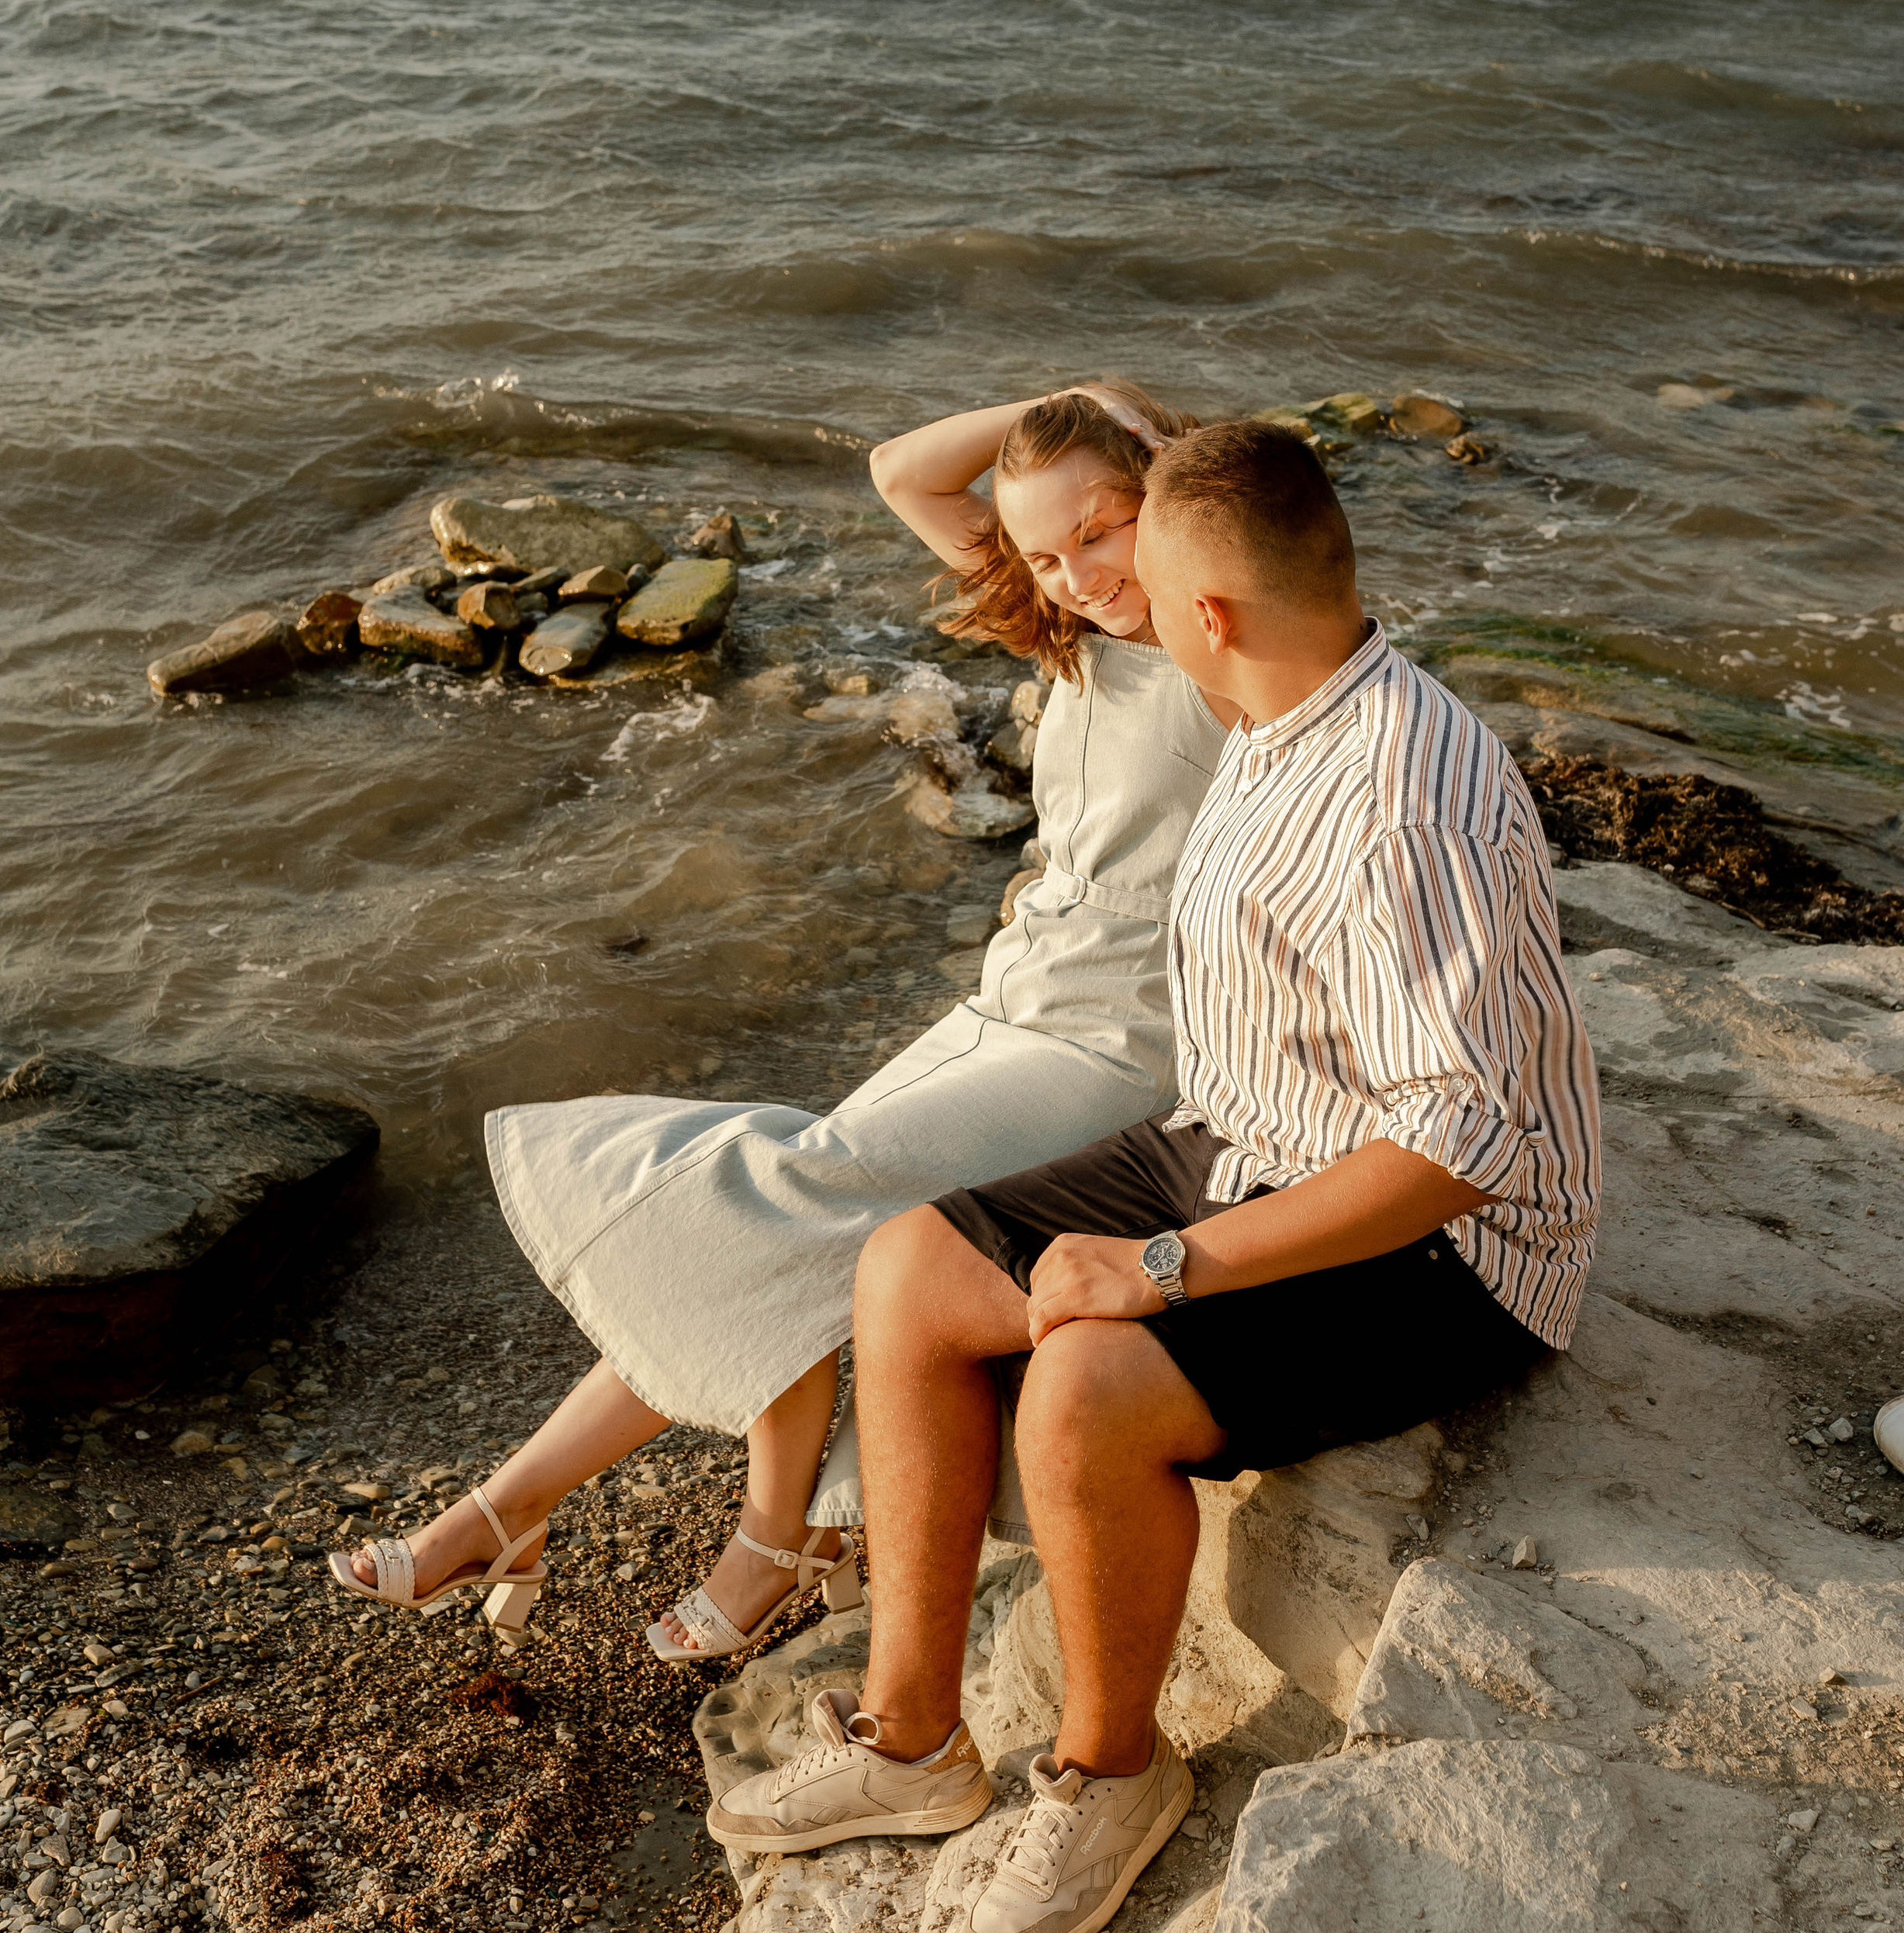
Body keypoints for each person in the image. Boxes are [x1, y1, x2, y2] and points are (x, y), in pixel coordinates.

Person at [709, 419, 1602, 1933]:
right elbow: (1133, 503)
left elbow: (1455, 1148)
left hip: (1443, 1243)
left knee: (1084, 1389)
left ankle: (1112, 1773)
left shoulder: (1398, 801)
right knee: (912, 1267)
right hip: (1255, 1128)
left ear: (1206, 612)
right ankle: (914, 1739)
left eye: (1130, 566)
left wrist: (1165, 1268)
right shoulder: (1268, 680)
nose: (1092, 594)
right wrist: (1108, 463)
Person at [327, 385, 1232, 1662]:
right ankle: (520, 1506)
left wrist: (1163, 449)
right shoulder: (1072, 637)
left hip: (1117, 1051)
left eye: (1104, 529)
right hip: (1012, 1006)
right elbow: (901, 470)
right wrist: (1061, 401)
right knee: (755, 1227)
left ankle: (749, 1530)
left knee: (773, 1195)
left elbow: (1283, 562)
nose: (1077, 573)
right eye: (1043, 551)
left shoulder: (1223, 646)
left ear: (1170, 510)